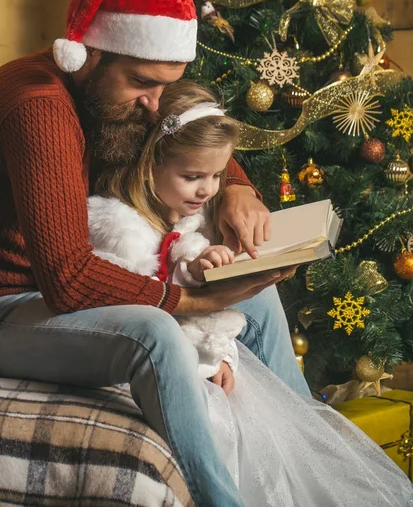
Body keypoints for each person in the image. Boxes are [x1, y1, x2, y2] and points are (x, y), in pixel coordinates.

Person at [0, 0, 308, 506]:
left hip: (49, 297)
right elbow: (67, 279)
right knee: (157, 332)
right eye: (143, 82)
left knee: (257, 296)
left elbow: (174, 133)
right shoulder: (39, 106)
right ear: (87, 55)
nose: (153, 105)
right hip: (12, 303)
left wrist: (237, 183)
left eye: (167, 86)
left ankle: (313, 459)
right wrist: (192, 305)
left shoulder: (117, 97)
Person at [87, 79, 413, 507]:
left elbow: (207, 305)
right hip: (161, 356)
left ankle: (312, 445)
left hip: (201, 352)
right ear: (150, 163)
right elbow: (138, 314)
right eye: (192, 176)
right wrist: (205, 350)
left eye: (217, 176)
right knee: (232, 427)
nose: (207, 190)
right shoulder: (117, 228)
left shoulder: (190, 214)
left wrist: (220, 347)